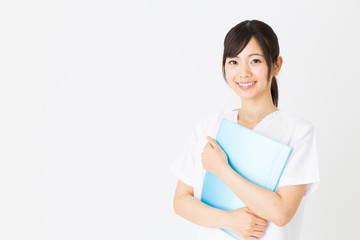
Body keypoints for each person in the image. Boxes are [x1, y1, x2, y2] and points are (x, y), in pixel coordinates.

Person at [169, 19, 320, 240]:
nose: (243, 72)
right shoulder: (209, 127)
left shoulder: (297, 132)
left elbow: (281, 212)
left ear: (276, 64)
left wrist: (221, 169)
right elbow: (181, 201)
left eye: (255, 60)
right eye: (233, 62)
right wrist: (227, 220)